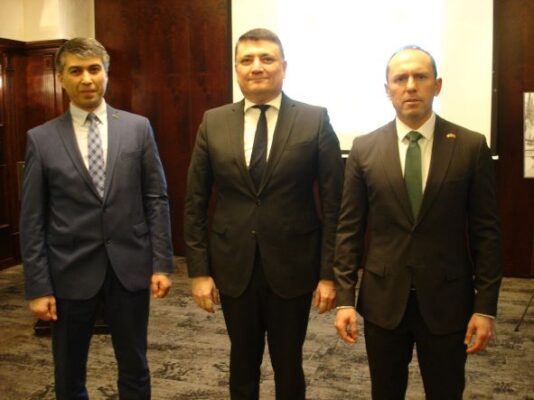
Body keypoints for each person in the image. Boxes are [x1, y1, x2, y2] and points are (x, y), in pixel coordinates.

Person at [334, 46, 502, 399]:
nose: (410, 86)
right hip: (383, 301)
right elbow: (349, 228)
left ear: (437, 85)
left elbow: (486, 233)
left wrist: (485, 307)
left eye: (420, 77)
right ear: (388, 90)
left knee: (446, 391)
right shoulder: (364, 148)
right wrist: (345, 299)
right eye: (400, 79)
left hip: (448, 300)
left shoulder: (471, 146)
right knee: (385, 392)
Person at [184, 28, 343, 399]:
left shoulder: (314, 120)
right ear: (237, 69)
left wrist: (329, 274)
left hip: (294, 266)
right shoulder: (213, 122)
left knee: (289, 363)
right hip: (232, 265)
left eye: (267, 59)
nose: (257, 67)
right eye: (247, 60)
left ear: (283, 67)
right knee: (242, 361)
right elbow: (195, 201)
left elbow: (335, 204)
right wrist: (199, 272)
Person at [20, 37, 174, 399]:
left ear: (106, 73)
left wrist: (162, 264)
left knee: (135, 365)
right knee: (68, 371)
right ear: (61, 78)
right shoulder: (41, 139)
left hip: (129, 269)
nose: (86, 79)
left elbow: (156, 199)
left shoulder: (138, 128)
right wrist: (38, 286)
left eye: (94, 69)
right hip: (68, 273)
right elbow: (32, 219)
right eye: (76, 71)